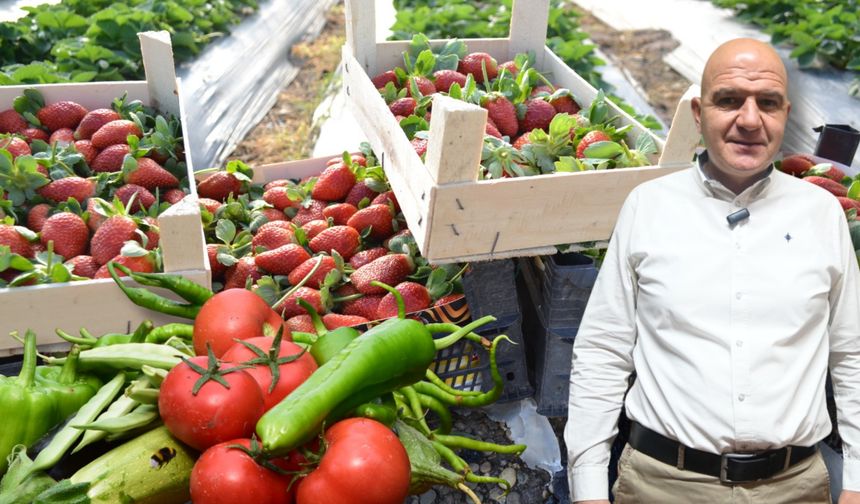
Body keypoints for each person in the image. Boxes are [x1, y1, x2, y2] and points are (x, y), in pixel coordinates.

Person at [564, 37, 860, 503]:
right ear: (699, 114)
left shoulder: (821, 215)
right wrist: (588, 488)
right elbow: (603, 349)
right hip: (662, 484)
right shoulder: (649, 206)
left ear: (786, 114)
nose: (749, 119)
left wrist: (856, 483)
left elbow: (853, 355)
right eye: (728, 101)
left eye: (767, 103)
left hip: (795, 487)